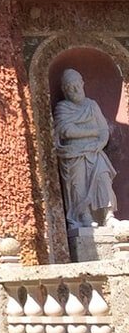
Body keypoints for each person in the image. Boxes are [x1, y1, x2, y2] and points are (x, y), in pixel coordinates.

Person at [54, 68, 117, 230]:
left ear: (82, 84)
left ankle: (109, 215)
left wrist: (99, 142)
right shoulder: (63, 108)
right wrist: (92, 131)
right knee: (78, 185)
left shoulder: (92, 105)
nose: (74, 90)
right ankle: (84, 216)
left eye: (76, 85)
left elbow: (104, 130)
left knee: (103, 180)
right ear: (64, 90)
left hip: (95, 151)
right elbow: (67, 131)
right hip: (74, 154)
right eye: (69, 87)